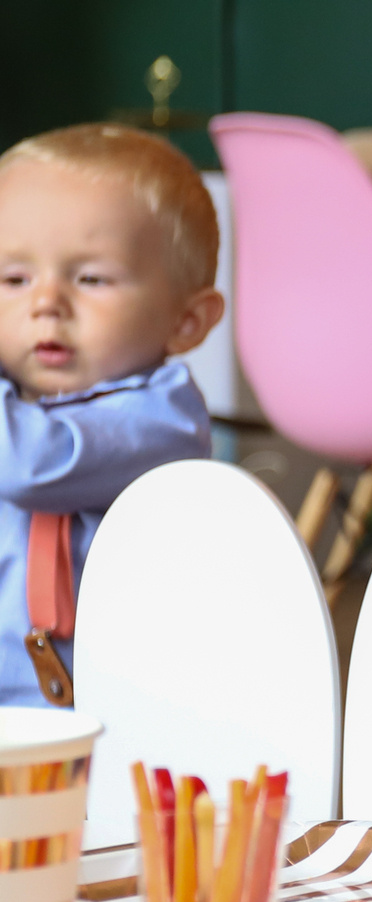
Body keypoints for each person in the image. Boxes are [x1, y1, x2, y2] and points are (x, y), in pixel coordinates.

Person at [0, 125, 223, 709]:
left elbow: (32, 464)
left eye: (91, 278)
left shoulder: (165, 416)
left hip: (110, 718)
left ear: (186, 321)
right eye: (14, 280)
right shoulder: (11, 406)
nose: (45, 303)